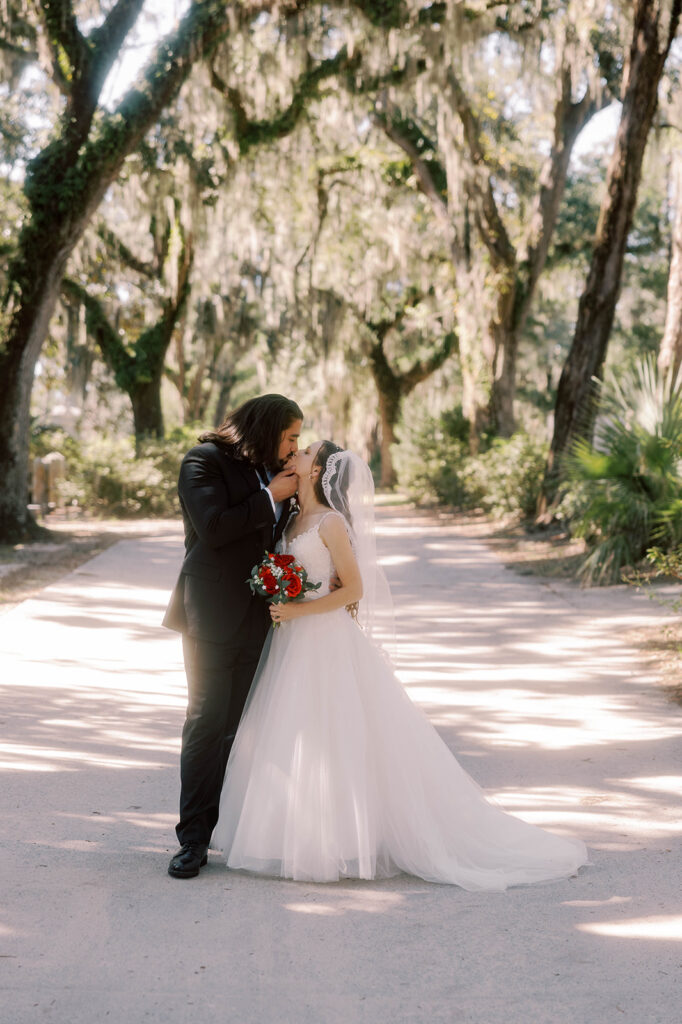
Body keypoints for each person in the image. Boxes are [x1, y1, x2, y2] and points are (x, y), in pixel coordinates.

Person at [212, 441, 588, 888]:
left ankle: (346, 842)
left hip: (324, 640)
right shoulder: (292, 518)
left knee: (338, 735)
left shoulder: (331, 523)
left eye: (305, 452)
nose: (295, 455)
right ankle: (298, 835)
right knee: (297, 734)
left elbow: (353, 590)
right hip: (291, 641)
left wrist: (297, 610)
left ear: (317, 472)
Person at [163, 394, 303, 879]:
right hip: (210, 613)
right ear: (266, 430)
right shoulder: (203, 462)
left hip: (261, 616)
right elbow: (216, 528)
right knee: (205, 720)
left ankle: (230, 830)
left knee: (237, 727)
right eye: (290, 436)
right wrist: (271, 498)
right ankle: (193, 841)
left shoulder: (277, 471)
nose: (294, 447)